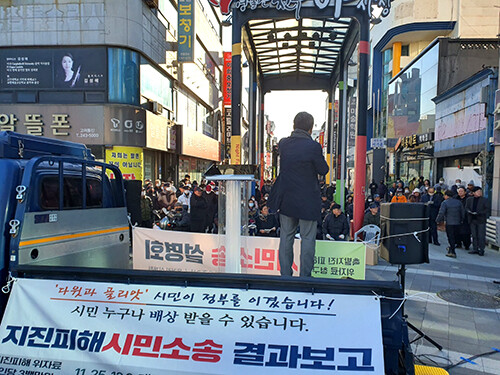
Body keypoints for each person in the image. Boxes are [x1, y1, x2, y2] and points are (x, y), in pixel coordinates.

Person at [268, 111, 329, 277]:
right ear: (310, 128)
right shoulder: (313, 146)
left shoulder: (283, 144)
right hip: (308, 200)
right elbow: (323, 169)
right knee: (308, 238)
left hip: (286, 198)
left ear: (294, 126)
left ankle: (286, 276)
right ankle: (305, 277)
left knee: (286, 237)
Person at [436, 190, 464, 258]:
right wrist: (462, 220)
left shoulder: (445, 203)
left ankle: (452, 251)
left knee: (450, 236)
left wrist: (438, 220)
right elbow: (462, 212)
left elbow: (441, 213)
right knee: (455, 236)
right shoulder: (458, 202)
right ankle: (452, 247)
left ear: (446, 196)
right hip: (457, 222)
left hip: (449, 222)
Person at [465, 186, 490, 256]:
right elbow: (466, 207)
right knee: (474, 235)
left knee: (481, 235)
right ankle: (475, 248)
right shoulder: (469, 200)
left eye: (480, 192)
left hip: (481, 220)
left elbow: (487, 209)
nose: (479, 193)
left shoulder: (485, 200)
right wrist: (469, 212)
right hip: (472, 219)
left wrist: (479, 213)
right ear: (473, 193)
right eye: (478, 192)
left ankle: (481, 249)